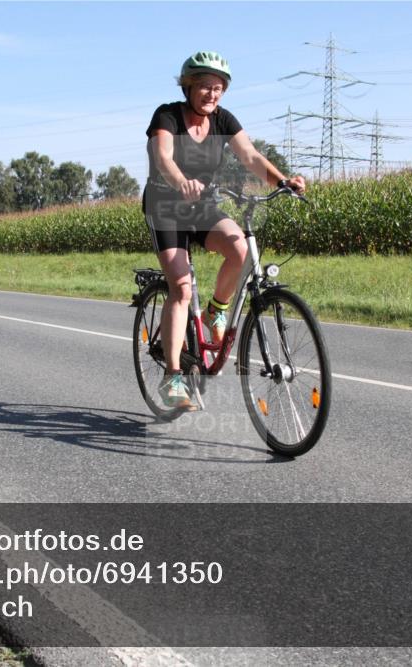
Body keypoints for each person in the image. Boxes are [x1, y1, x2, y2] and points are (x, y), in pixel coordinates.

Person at [143, 51, 306, 408]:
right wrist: (181, 182)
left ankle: (216, 309)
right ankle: (173, 378)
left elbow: (250, 156)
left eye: (218, 88)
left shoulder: (223, 120)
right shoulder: (167, 115)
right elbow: (163, 157)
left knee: (240, 248)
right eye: (205, 86)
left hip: (201, 207)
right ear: (188, 87)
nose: (212, 94)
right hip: (165, 207)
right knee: (180, 287)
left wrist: (283, 181)